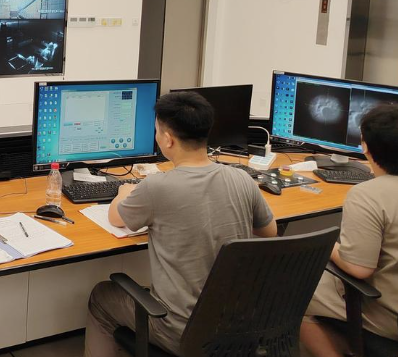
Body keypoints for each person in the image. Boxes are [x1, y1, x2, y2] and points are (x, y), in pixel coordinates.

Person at [85, 91, 278, 356]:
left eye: (156, 131)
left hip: (182, 332)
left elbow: (116, 218)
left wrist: (123, 193)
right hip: (239, 326)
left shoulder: (157, 187)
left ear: (167, 139)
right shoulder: (242, 179)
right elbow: (270, 231)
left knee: (102, 296)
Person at [301, 104, 398, 355]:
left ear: (364, 146)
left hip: (387, 318)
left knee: (294, 293)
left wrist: (329, 246)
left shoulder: (368, 194)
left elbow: (359, 268)